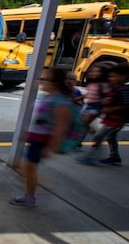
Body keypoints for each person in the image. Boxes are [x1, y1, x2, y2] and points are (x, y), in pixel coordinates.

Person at [9, 67, 72, 206]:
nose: (42, 82)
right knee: (27, 167)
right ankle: (33, 192)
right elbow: (40, 119)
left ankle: (30, 196)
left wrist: (51, 147)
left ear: (55, 83)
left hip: (42, 141)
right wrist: (27, 134)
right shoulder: (49, 97)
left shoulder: (61, 102)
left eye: (45, 79)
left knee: (28, 167)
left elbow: (61, 127)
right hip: (36, 138)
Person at [76, 62, 129, 166]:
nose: (111, 79)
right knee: (110, 137)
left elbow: (126, 105)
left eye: (114, 76)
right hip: (110, 118)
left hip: (116, 119)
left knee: (98, 136)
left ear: (124, 77)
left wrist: (111, 109)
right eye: (110, 76)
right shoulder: (114, 88)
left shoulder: (124, 90)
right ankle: (114, 156)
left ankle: (92, 157)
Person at [76, 62, 110, 149]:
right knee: (84, 124)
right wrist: (78, 99)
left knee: (83, 124)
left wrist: (103, 106)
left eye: (97, 72)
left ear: (103, 74)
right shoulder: (91, 84)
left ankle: (80, 143)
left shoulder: (103, 85)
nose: (94, 73)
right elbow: (87, 94)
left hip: (95, 107)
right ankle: (94, 135)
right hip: (87, 106)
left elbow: (108, 96)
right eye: (92, 71)